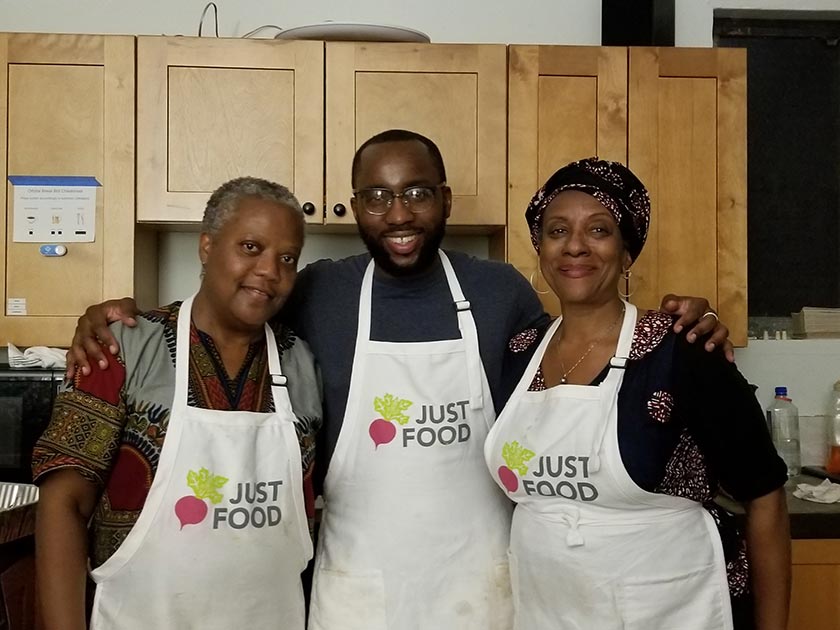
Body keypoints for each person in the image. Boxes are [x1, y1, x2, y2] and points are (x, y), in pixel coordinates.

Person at [65, 130, 731, 630]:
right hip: (356, 595)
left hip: (485, 592)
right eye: (378, 196)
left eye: (415, 192)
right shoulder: (316, 292)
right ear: (356, 205)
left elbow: (577, 353)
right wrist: (105, 319)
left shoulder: (502, 294)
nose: (399, 213)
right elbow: (234, 313)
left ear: (442, 199)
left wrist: (690, 322)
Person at [484, 157, 790, 629]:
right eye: (558, 230)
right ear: (540, 250)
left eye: (599, 230)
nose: (576, 246)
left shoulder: (684, 349)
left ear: (627, 253)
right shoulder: (519, 354)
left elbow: (765, 498)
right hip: (547, 612)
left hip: (671, 611)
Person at [33, 177, 322, 630]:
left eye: (287, 258)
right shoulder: (122, 347)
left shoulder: (301, 360)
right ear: (206, 246)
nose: (270, 270)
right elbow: (63, 503)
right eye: (250, 247)